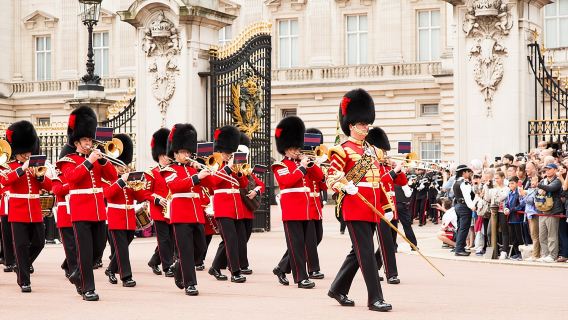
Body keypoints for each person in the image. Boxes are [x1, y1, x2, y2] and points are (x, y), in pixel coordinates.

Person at [327, 88, 392, 312]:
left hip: (371, 206)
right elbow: (332, 177)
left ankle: (337, 288)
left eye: (367, 124)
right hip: (355, 206)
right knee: (366, 253)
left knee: (357, 252)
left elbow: (379, 180)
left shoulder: (372, 151)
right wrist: (346, 185)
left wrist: (386, 207)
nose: (366, 127)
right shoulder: (341, 150)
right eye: (362, 124)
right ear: (351, 125)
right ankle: (375, 298)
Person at [58, 106, 118, 301]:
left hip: (98, 210)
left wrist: (102, 162)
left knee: (97, 251)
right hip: (80, 210)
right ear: (76, 141)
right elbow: (72, 178)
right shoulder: (68, 160)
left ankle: (78, 275)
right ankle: (88, 288)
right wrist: (88, 162)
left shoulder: (97, 159)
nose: (89, 143)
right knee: (84, 252)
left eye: (90, 140)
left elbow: (112, 176)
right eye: (85, 140)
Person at [161, 123, 213, 295]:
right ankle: (190, 284)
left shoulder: (193, 169)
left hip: (196, 213)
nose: (186, 155)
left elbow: (212, 186)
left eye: (188, 152)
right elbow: (175, 186)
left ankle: (178, 267)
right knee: (186, 250)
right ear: (175, 153)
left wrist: (208, 172)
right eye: (183, 152)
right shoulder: (169, 170)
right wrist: (197, 177)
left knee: (200, 249)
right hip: (181, 213)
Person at [271, 116, 322, 289]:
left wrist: (311, 165)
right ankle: (301, 278)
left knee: (306, 244)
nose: (296, 151)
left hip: (306, 209)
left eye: (296, 147)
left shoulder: (302, 163)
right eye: (292, 148)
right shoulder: (280, 165)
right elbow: (287, 182)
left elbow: (320, 178)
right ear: (285, 149)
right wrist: (301, 167)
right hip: (292, 210)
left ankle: (281, 269)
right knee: (296, 245)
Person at [1, 120, 52, 292]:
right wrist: (22, 169)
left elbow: (50, 187)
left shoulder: (36, 167)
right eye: (24, 153)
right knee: (21, 246)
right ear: (17, 152)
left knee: (39, 243)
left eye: (29, 152)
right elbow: (5, 180)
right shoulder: (9, 166)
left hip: (35, 211)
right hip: (18, 210)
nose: (27, 155)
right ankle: (24, 280)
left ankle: (21, 265)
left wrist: (39, 177)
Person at [103, 134, 147, 287]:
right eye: (120, 165)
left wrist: (140, 184)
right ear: (114, 165)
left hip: (129, 217)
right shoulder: (109, 178)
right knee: (122, 249)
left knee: (123, 247)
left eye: (124, 165)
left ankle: (110, 269)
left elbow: (140, 196)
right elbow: (108, 194)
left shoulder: (128, 178)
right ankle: (126, 276)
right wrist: (122, 181)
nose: (123, 167)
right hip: (115, 217)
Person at [208, 125, 250, 283]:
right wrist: (227, 168)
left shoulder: (234, 165)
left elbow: (244, 184)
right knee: (230, 239)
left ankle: (215, 267)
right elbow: (213, 182)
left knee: (234, 239)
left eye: (230, 153)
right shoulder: (215, 164)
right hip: (223, 206)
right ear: (221, 151)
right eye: (226, 153)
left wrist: (239, 172)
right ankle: (235, 271)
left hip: (236, 207)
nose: (229, 156)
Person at [365, 126, 405, 284]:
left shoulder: (387, 166)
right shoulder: (372, 166)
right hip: (380, 207)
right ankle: (391, 273)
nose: (385, 154)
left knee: (391, 241)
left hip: (392, 208)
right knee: (386, 242)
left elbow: (402, 182)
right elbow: (380, 180)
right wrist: (394, 172)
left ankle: (374, 266)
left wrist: (398, 170)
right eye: (382, 150)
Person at [145, 128, 175, 277]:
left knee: (172, 238)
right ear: (158, 155)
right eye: (163, 155)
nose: (166, 158)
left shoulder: (173, 171)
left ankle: (154, 260)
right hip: (158, 209)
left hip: (172, 209)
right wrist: (157, 199)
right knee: (164, 239)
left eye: (167, 155)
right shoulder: (152, 172)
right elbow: (145, 192)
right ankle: (167, 266)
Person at [50, 144, 77, 279]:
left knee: (79, 245)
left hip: (78, 211)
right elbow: (57, 190)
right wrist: (73, 184)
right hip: (65, 214)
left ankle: (68, 265)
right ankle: (72, 270)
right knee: (70, 246)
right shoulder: (58, 175)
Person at [536, 163, 563, 263]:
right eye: (546, 169)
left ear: (555, 170)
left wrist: (539, 186)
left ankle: (553, 255)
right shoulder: (543, 180)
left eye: (549, 169)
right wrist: (540, 188)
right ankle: (545, 254)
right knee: (542, 235)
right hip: (542, 210)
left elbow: (551, 188)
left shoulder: (557, 180)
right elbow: (537, 192)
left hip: (553, 211)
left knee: (552, 235)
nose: (547, 171)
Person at [452, 165, 476, 256]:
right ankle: (459, 249)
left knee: (460, 228)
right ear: (464, 173)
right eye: (467, 172)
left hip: (458, 206)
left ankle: (459, 247)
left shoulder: (456, 182)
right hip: (464, 207)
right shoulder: (464, 183)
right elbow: (467, 197)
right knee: (464, 229)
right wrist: (472, 206)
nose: (469, 174)